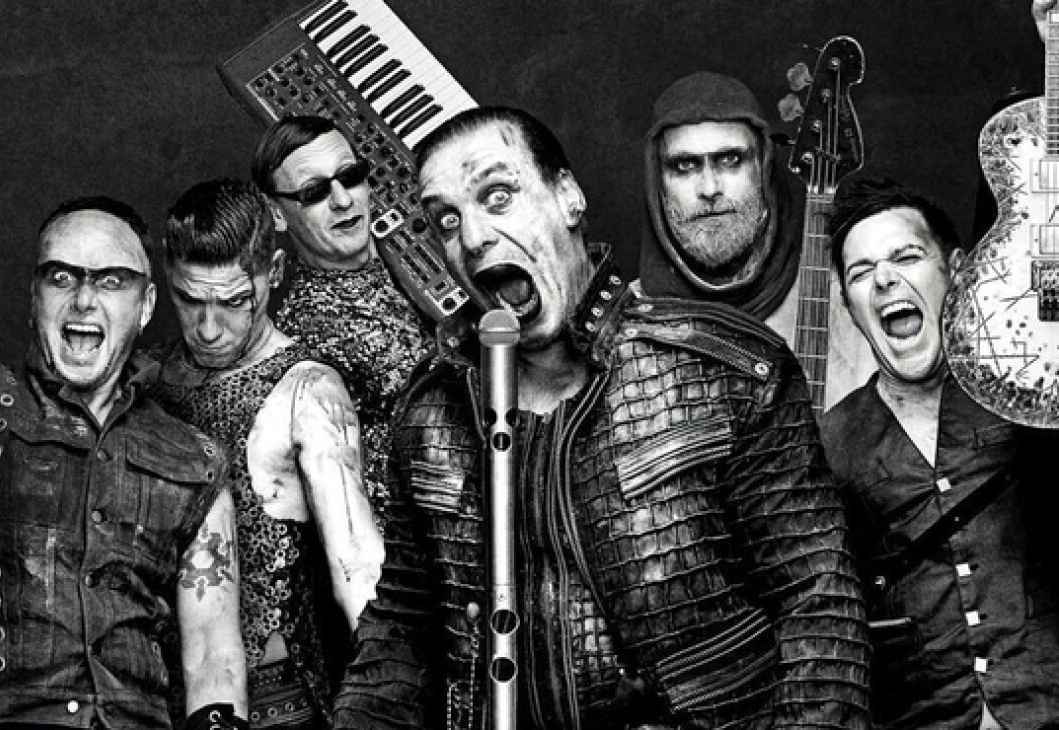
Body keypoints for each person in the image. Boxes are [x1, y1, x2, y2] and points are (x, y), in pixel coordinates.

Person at [333, 106, 869, 730]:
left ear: (568, 197)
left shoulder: (728, 370)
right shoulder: (432, 410)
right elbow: (400, 629)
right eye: (447, 220)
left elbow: (819, 603)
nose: (473, 237)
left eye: (498, 196)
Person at [0, 9, 249, 729]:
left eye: (111, 280)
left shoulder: (194, 458)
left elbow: (213, 652)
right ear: (34, 299)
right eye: (62, 276)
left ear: (145, 307)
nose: (84, 299)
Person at [141, 177, 385, 729]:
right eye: (189, 300)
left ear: (273, 272)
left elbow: (358, 567)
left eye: (233, 302)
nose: (208, 328)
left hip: (280, 708)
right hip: (150, 704)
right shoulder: (144, 379)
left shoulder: (308, 391)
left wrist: (385, 702)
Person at [820, 177, 1059, 730]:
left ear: (957, 270)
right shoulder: (832, 444)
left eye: (906, 256)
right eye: (861, 273)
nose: (885, 279)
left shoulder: (1031, 392)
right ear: (849, 307)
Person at [639, 71, 875, 408]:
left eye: (730, 160)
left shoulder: (851, 300)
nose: (709, 189)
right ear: (658, 184)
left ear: (764, 167)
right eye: (685, 165)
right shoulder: (627, 326)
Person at [251, 116, 433, 527]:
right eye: (314, 192)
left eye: (350, 177)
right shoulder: (313, 326)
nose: (343, 200)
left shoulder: (400, 252)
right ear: (276, 213)